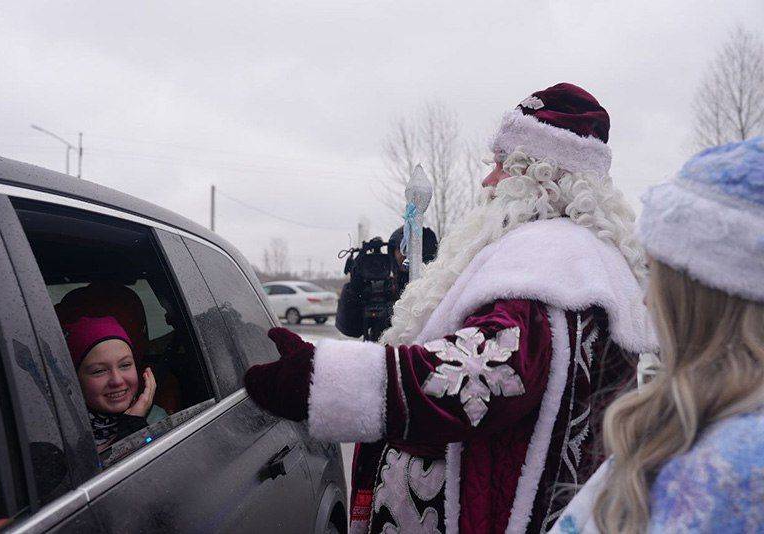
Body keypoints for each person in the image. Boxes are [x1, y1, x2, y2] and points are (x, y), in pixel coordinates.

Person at [244, 83, 656, 533]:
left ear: (540, 178)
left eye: (500, 167)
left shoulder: (549, 262)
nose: (488, 181)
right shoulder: (584, 259)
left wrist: (317, 379)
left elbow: (481, 377)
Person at [551, 137, 764, 534]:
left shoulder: (731, 466)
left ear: (702, 298)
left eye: (655, 275)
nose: (646, 300)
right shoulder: (696, 420)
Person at [63, 315, 161, 452]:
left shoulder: (157, 420)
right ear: (74, 379)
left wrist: (134, 423)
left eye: (125, 365)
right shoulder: (59, 436)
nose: (117, 380)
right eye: (99, 371)